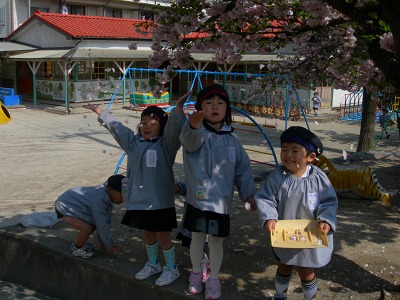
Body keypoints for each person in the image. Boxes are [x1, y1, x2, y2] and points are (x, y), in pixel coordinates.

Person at [83, 91, 190, 286]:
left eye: (152, 122)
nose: (147, 126)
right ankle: (153, 263)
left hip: (160, 201)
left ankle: (171, 267)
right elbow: (118, 129)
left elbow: (175, 130)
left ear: (161, 126)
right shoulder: (133, 143)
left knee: (163, 235)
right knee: (148, 233)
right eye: (143, 122)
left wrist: (178, 110)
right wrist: (100, 112)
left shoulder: (166, 146)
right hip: (140, 200)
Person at [179, 84, 257, 299]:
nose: (215, 107)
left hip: (221, 203)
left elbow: (243, 170)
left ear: (227, 109)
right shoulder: (195, 132)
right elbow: (188, 143)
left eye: (220, 103)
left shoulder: (232, 140)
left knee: (216, 241)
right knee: (197, 238)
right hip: (198, 200)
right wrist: (193, 126)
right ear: (200, 107)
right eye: (209, 102)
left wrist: (248, 194)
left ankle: (213, 278)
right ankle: (196, 272)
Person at [254, 126, 338, 300]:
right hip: (285, 236)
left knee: (307, 270)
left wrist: (326, 220)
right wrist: (269, 217)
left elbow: (329, 201)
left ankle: (310, 297)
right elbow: (266, 198)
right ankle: (280, 295)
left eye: (295, 151)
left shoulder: (319, 178)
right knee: (284, 266)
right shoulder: (278, 176)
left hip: (310, 236)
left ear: (310, 157)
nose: (288, 155)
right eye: (284, 150)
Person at [55, 174, 126, 258]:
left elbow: (104, 222)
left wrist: (103, 243)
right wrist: (111, 246)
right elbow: (102, 224)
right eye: (122, 195)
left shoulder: (106, 196)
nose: (124, 199)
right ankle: (77, 248)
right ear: (110, 189)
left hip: (74, 205)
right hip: (64, 206)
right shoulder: (99, 200)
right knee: (87, 229)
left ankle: (80, 244)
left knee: (94, 224)